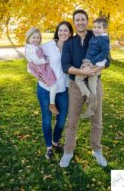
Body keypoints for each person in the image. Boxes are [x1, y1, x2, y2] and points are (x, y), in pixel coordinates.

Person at [60, 10, 110, 168]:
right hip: (76, 86)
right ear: (74, 23)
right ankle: (68, 152)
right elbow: (65, 66)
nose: (80, 22)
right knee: (72, 122)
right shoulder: (69, 43)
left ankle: (97, 150)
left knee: (97, 120)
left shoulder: (97, 35)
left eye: (83, 19)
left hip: (94, 83)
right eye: (77, 20)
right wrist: (83, 72)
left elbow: (107, 59)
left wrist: (96, 69)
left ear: (87, 21)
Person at [33, 21, 73, 160]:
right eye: (60, 30)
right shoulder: (47, 46)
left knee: (61, 120)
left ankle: (55, 142)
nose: (63, 33)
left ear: (70, 33)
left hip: (62, 90)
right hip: (45, 89)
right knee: (47, 119)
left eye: (66, 30)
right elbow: (32, 60)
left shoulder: (71, 47)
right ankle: (49, 147)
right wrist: (38, 75)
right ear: (57, 31)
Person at [75, 17, 109, 118]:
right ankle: (91, 108)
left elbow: (105, 53)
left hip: (93, 63)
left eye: (99, 27)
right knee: (92, 84)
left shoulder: (102, 39)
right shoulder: (96, 36)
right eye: (94, 27)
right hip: (92, 62)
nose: (96, 29)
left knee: (78, 79)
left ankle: (90, 99)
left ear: (105, 29)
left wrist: (92, 62)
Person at [25, 27, 58, 115]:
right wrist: (46, 60)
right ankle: (52, 104)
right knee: (53, 86)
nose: (36, 39)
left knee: (48, 83)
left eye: (38, 38)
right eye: (33, 37)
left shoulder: (32, 47)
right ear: (28, 38)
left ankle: (51, 102)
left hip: (40, 68)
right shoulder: (33, 48)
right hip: (41, 68)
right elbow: (36, 60)